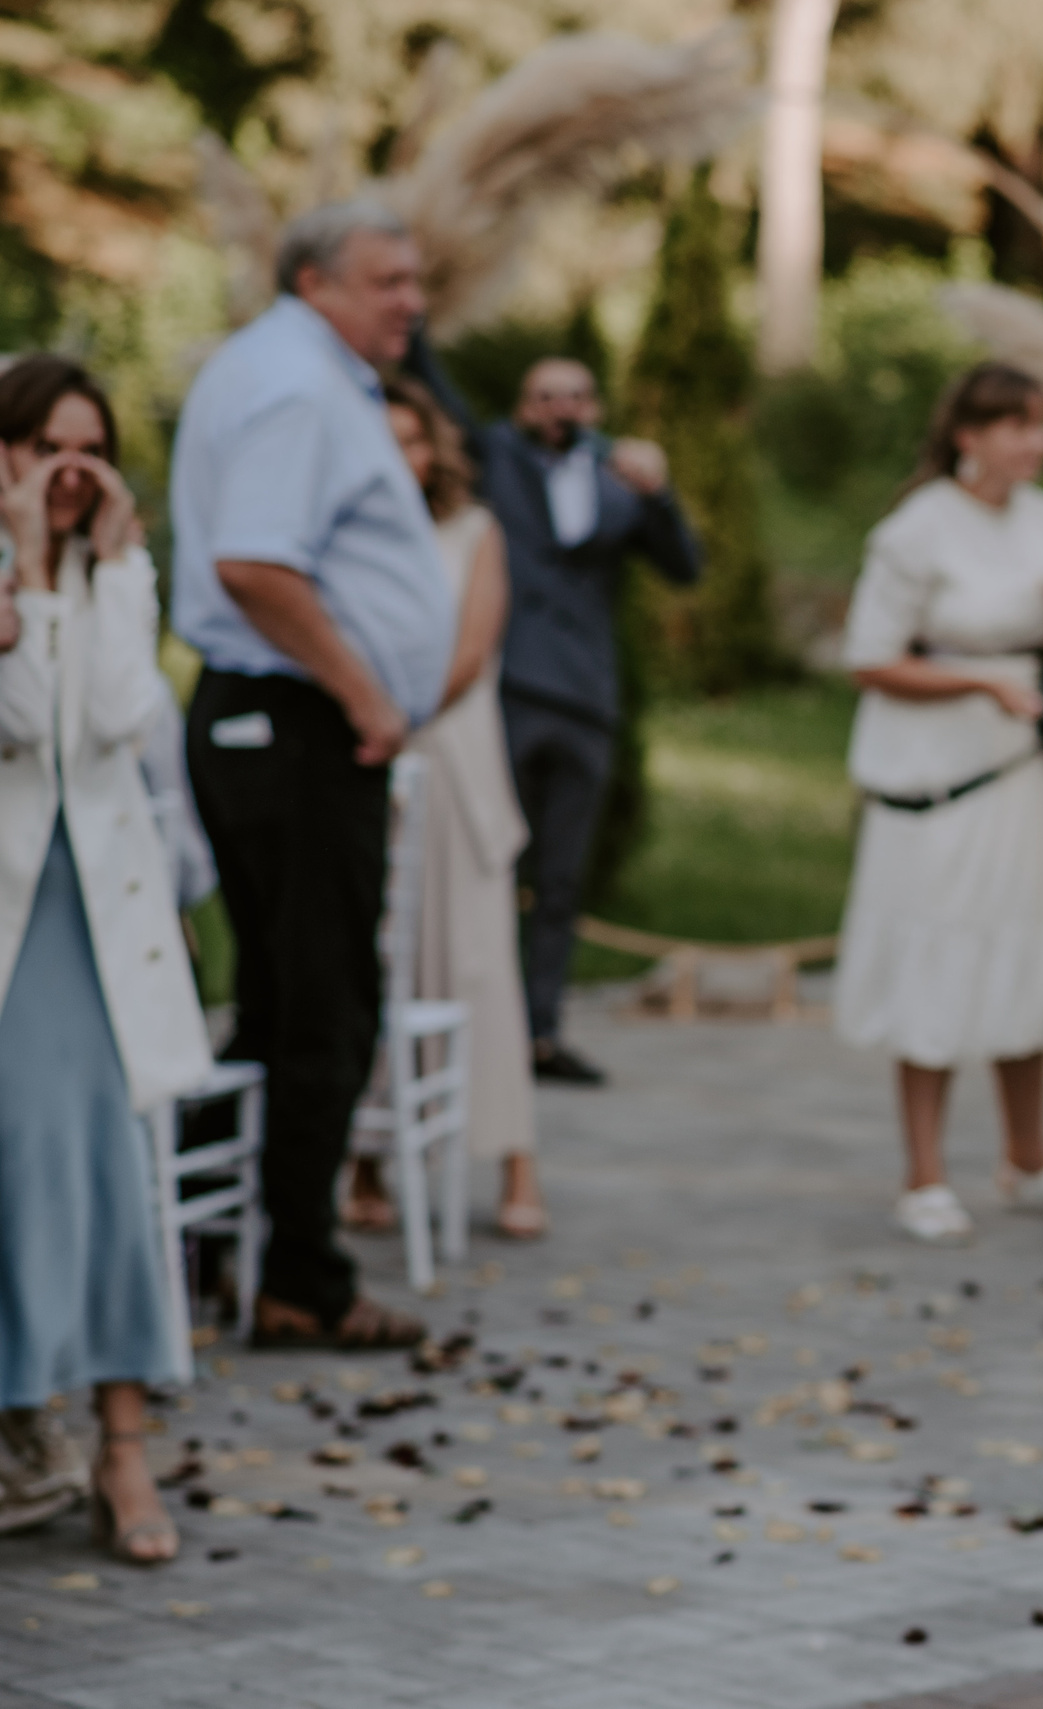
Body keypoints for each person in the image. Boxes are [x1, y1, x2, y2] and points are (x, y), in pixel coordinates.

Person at [172, 198, 454, 1351]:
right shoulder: (295, 384)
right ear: (314, 282)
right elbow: (253, 562)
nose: (412, 302)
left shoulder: (302, 372)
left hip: (277, 719)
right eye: (388, 280)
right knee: (323, 1005)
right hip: (293, 723)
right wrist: (363, 690)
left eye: (415, 280)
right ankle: (299, 1277)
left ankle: (221, 1248)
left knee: (285, 1002)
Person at [0, 356, 211, 1560]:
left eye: (91, 448)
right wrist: (27, 568)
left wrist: (118, 571)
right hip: (13, 912)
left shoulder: (115, 574)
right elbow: (23, 720)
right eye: (47, 446)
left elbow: (126, 713)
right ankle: (30, 1426)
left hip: (99, 920)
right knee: (28, 1159)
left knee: (107, 1161)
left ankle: (124, 1448)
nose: (72, 470)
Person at [833, 362, 1043, 1246]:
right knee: (936, 959)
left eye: (1041, 424)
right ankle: (923, 1175)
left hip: (1020, 773)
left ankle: (1029, 1156)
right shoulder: (916, 530)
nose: (1037, 442)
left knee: (1025, 947)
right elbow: (870, 658)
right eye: (1017, 425)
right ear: (969, 435)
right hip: (934, 782)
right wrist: (979, 685)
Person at [405, 345, 702, 1088]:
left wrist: (659, 493)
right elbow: (434, 387)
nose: (559, 408)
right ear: (522, 407)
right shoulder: (495, 459)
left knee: (563, 879)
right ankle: (483, 1021)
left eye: (574, 395)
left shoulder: (617, 478)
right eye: (544, 395)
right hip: (509, 690)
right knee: (492, 860)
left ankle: (541, 1030)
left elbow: (684, 566)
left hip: (588, 698)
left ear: (593, 407)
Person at [341, 378, 545, 1238]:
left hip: (453, 756)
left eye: (412, 439)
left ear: (435, 449)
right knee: (374, 956)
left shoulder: (473, 531)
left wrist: (402, 715)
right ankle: (367, 1158)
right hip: (366, 754)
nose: (400, 456)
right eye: (382, 440)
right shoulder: (345, 536)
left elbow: (472, 644)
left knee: (477, 961)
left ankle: (515, 1160)